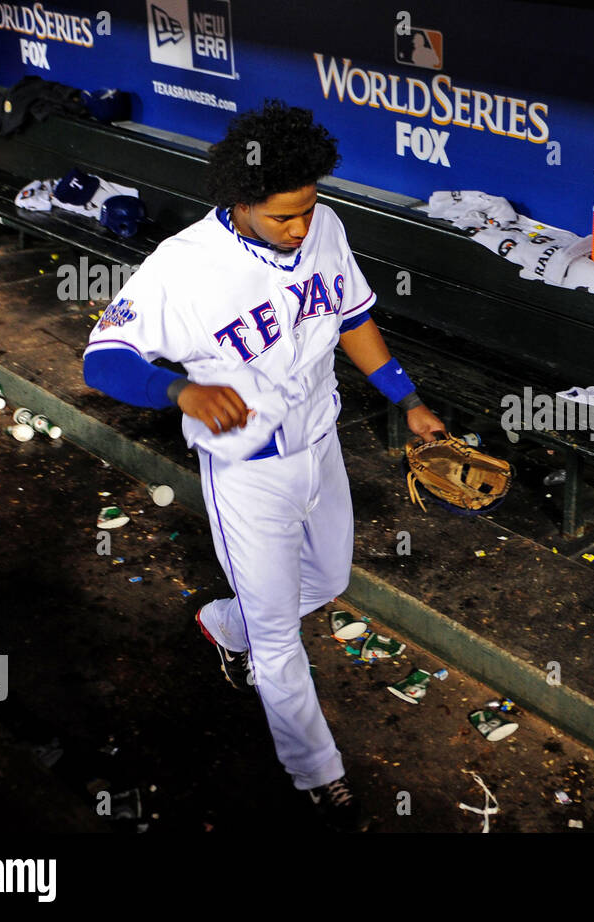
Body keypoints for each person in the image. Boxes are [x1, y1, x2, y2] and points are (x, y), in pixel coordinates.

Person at [82, 99, 443, 832]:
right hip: (246, 469)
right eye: (284, 216)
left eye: (309, 208)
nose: (302, 227)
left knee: (331, 578)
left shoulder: (324, 227)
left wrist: (406, 400)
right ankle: (317, 775)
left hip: (321, 442)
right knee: (280, 637)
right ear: (239, 201)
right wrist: (178, 387)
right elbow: (102, 359)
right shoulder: (182, 267)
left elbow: (352, 317)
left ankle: (224, 621)